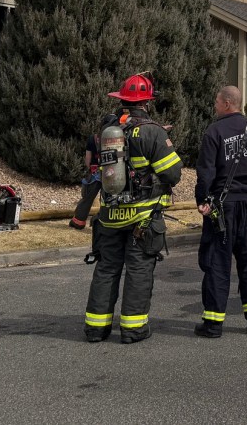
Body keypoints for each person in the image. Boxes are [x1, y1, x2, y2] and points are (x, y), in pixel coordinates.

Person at [83, 73, 183, 344]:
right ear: (147, 102)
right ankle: (133, 329)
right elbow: (173, 173)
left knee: (106, 269)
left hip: (110, 216)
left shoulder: (109, 130)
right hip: (142, 218)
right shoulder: (152, 131)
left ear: (122, 99)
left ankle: (96, 329)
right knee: (138, 271)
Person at [193, 85, 247, 338]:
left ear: (227, 103)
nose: (215, 106)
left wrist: (203, 200)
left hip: (222, 209)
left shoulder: (214, 132)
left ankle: (214, 323)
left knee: (217, 263)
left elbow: (206, 172)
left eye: (217, 101)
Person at [69, 130, 102, 230]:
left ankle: (78, 222)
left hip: (95, 172)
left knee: (87, 198)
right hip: (112, 172)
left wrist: (89, 169)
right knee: (109, 200)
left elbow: (88, 159)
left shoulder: (93, 138)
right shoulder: (117, 137)